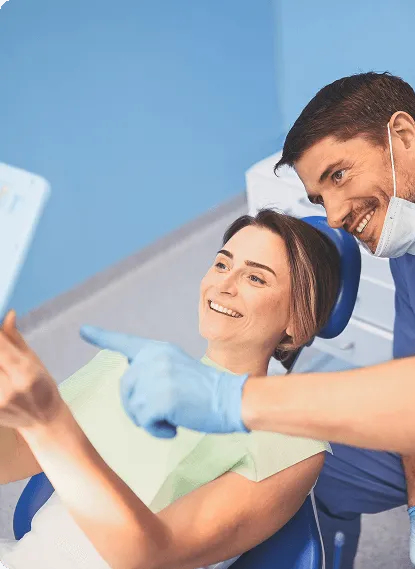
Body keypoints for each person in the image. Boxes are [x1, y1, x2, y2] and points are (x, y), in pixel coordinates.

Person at [75, 72, 415, 569]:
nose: (337, 215)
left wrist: (231, 399)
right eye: (320, 199)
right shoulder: (413, 239)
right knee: (305, 463)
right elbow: (414, 394)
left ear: (404, 135)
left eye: (339, 175)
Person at [0, 209, 339, 569]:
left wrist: (51, 423)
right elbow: (14, 455)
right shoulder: (122, 366)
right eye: (222, 265)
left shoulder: (290, 445)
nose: (223, 284)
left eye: (255, 278)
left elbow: (152, 555)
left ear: (297, 322)